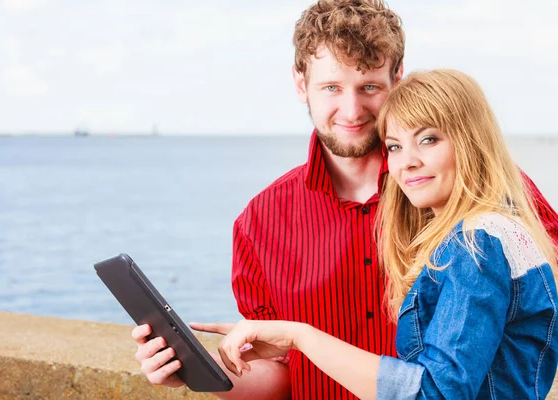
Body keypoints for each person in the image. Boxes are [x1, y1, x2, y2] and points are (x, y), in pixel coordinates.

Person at [132, 1, 558, 399]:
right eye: (332, 87)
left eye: (369, 85)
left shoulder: (477, 194)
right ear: (302, 85)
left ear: (398, 79)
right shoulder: (259, 221)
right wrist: (195, 372)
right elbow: (280, 370)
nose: (352, 110)